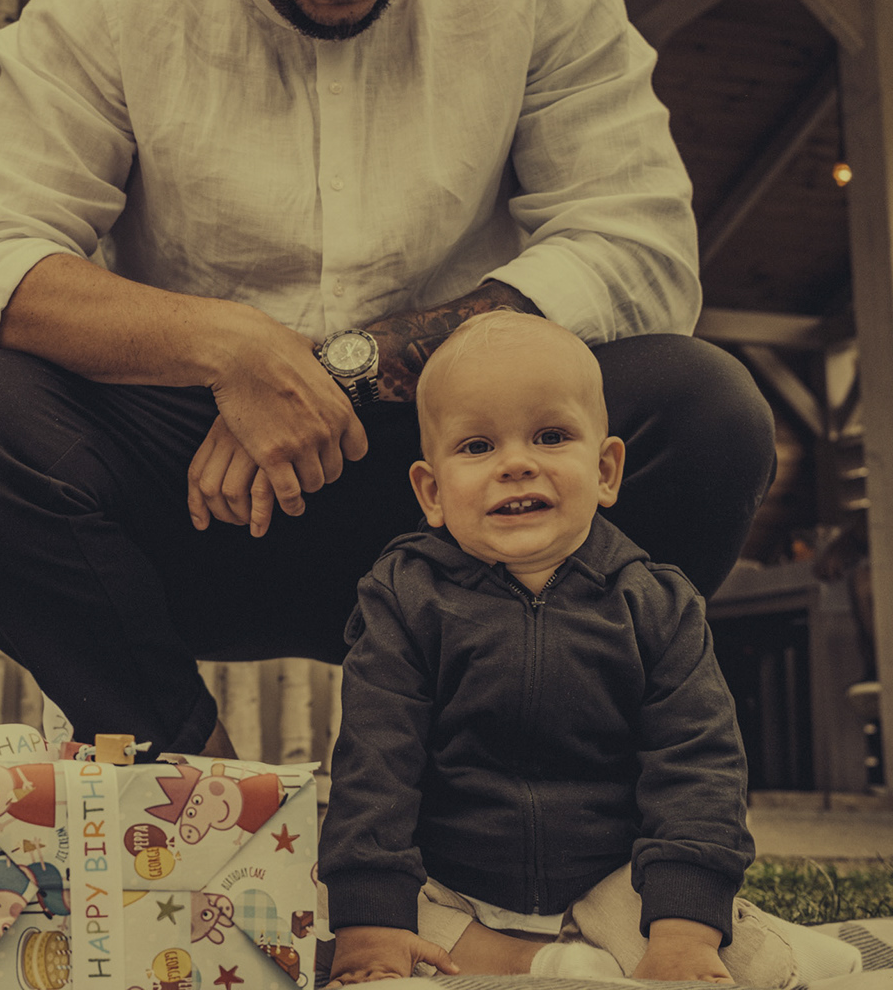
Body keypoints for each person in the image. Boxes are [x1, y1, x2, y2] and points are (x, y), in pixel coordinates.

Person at [0, 0, 773, 756]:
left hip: (464, 494)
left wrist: (340, 368)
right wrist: (231, 350)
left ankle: (499, 769)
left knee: (707, 411)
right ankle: (190, 779)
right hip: (203, 498)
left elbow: (640, 250)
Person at [318, 313, 855, 986]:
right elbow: (375, 763)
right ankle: (548, 964)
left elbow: (698, 767)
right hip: (451, 883)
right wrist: (371, 927)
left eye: (550, 436)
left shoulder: (659, 606)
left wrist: (683, 935)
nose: (517, 464)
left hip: (615, 886)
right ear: (432, 491)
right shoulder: (403, 599)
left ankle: (774, 950)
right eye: (478, 446)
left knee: (735, 955)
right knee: (331, 905)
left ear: (605, 470)